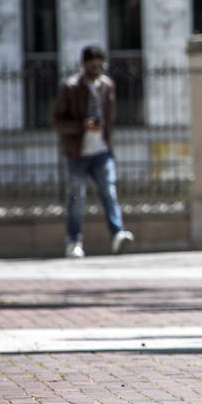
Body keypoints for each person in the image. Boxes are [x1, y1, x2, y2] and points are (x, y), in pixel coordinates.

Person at [52, 44, 134, 258]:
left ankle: (117, 233)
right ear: (83, 64)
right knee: (76, 197)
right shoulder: (69, 87)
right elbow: (58, 121)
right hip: (77, 153)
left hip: (101, 150)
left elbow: (109, 116)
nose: (97, 69)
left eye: (100, 65)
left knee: (109, 191)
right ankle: (74, 240)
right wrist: (82, 126)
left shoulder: (107, 85)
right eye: (92, 65)